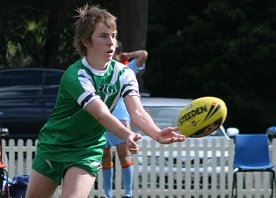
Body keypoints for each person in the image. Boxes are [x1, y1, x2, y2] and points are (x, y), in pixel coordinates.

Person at [25, 4, 186, 198]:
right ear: (86, 41)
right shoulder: (76, 75)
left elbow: (137, 112)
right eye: (103, 36)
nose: (112, 42)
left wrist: (156, 133)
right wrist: (127, 134)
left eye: (114, 35)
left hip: (87, 149)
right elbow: (101, 114)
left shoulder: (123, 73)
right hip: (55, 144)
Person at [102, 41, 148, 198]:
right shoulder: (101, 70)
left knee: (124, 155)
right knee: (105, 156)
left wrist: (127, 55)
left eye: (113, 52)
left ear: (118, 54)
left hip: (121, 117)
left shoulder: (127, 69)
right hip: (102, 118)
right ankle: (107, 193)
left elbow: (143, 54)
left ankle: (128, 193)